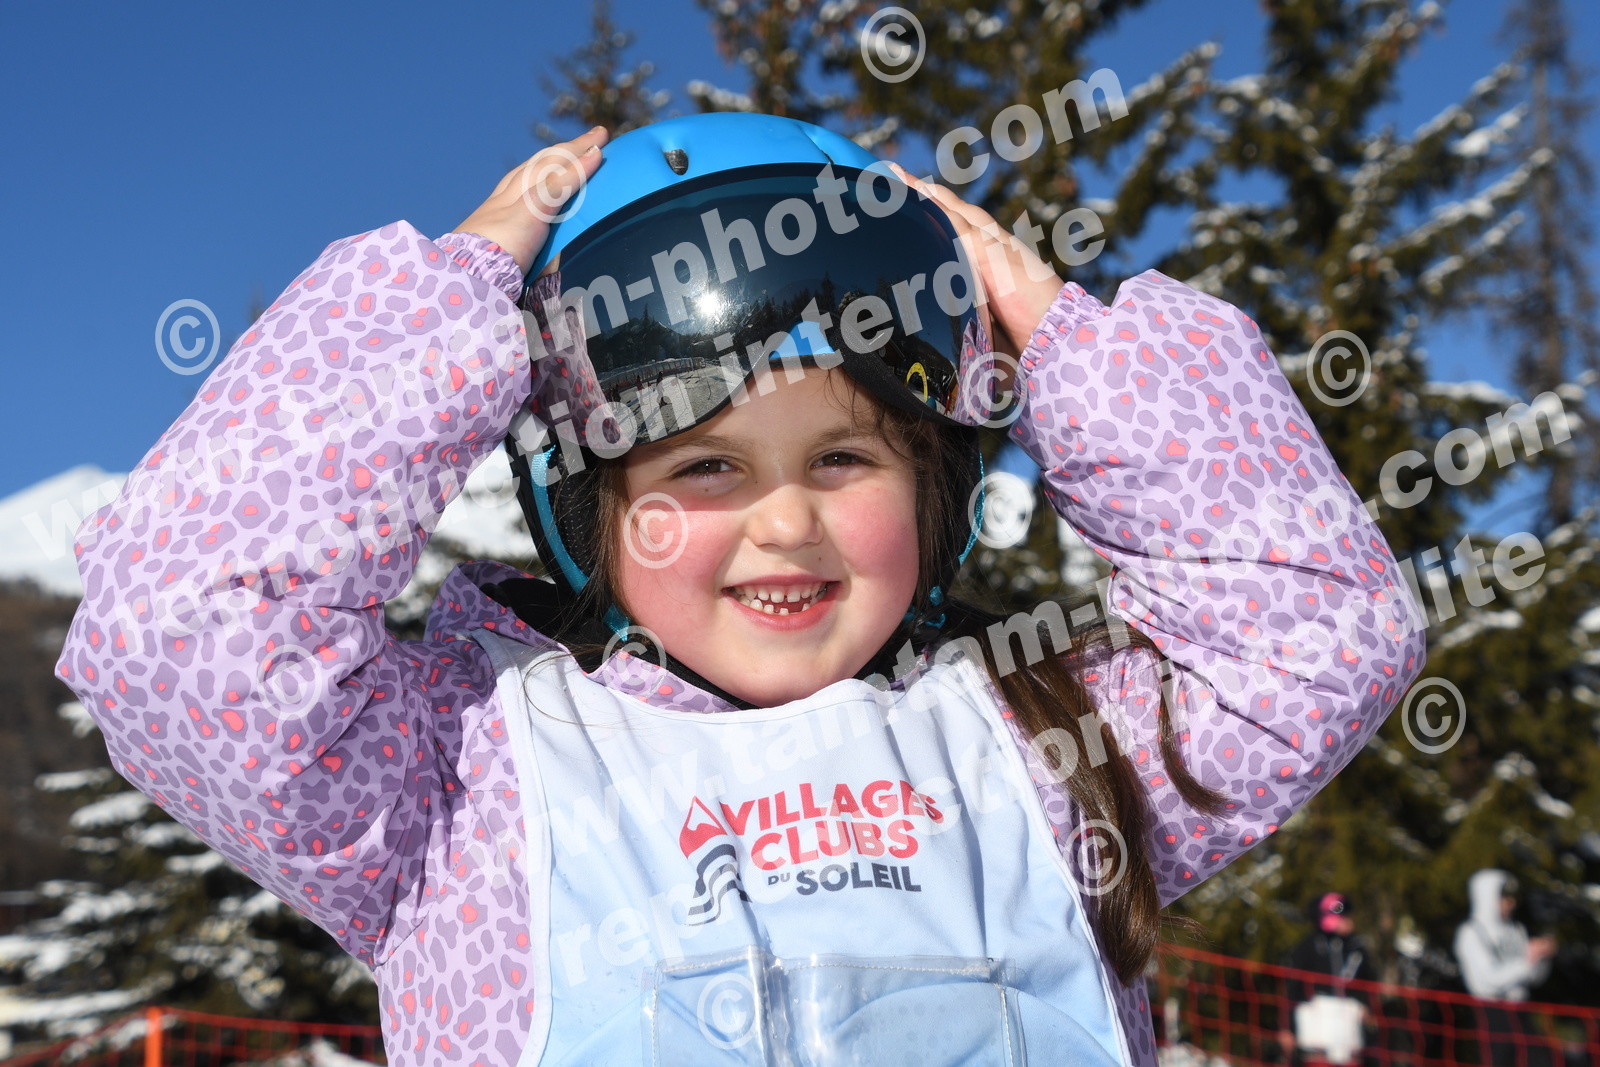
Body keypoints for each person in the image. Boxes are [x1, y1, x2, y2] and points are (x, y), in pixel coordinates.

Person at [54, 113, 1426, 1066]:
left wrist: (1067, 335)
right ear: (586, 509)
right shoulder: (458, 784)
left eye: (843, 456)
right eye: (704, 466)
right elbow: (178, 623)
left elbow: (1319, 628)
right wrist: (436, 304)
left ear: (935, 491)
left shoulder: (1043, 745)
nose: (785, 521)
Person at [1456, 869, 1559, 1067]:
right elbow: (1489, 979)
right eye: (1503, 897)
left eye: (1512, 897)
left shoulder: (1515, 930)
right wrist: (1527, 962)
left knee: (1543, 1060)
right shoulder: (1471, 932)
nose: (1510, 903)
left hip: (1520, 1008)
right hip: (1492, 1012)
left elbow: (1533, 978)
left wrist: (1541, 957)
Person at [1280, 893, 1378, 1066]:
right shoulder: (1309, 947)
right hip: (1317, 1020)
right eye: (1341, 915)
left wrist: (1367, 1006)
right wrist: (1287, 1027)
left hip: (1349, 1019)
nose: (1347, 920)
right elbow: (1293, 988)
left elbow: (1368, 982)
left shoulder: (1356, 948)